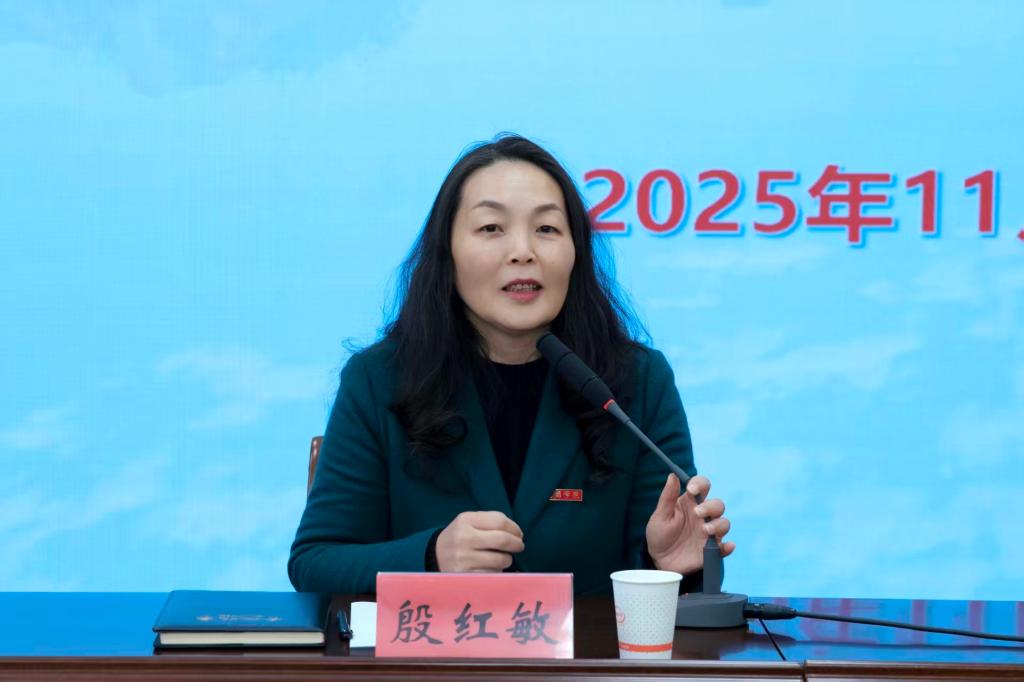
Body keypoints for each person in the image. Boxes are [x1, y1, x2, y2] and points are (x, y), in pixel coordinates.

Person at [288, 134, 733, 596]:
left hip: (588, 648)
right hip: (436, 646)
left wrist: (669, 564)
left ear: (576, 253)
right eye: (491, 228)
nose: (523, 251)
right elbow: (316, 562)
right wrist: (431, 555)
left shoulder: (636, 382)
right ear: (448, 253)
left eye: (547, 229)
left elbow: (671, 570)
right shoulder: (379, 380)